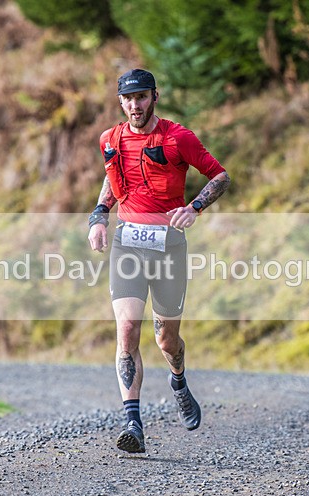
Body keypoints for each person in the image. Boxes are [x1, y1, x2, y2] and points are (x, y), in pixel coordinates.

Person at [87, 69, 231, 453]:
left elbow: (220, 175)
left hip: (168, 248)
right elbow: (110, 177)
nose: (135, 105)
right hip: (128, 245)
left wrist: (196, 206)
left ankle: (179, 381)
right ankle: (132, 422)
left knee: (166, 340)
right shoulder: (110, 140)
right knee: (128, 329)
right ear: (120, 102)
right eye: (128, 99)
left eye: (142, 97)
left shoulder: (177, 137)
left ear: (155, 97)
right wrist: (99, 216)